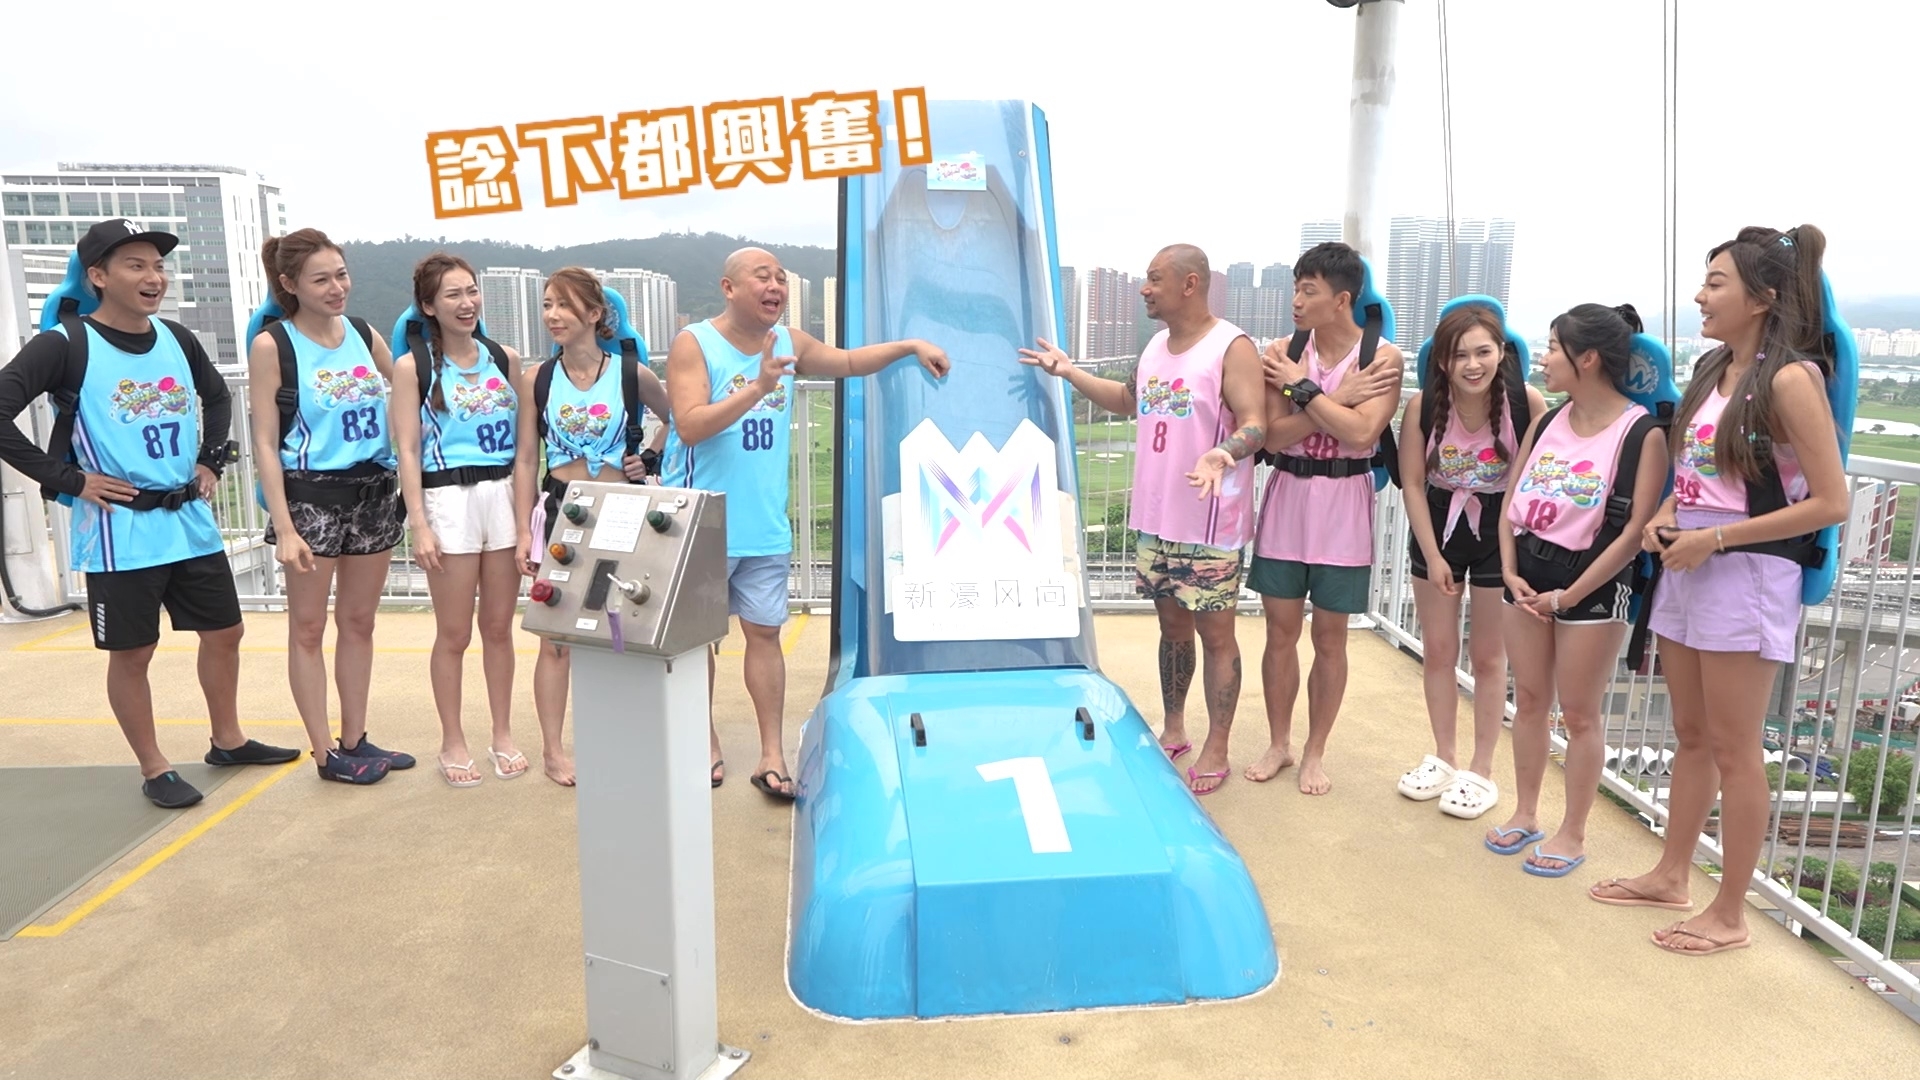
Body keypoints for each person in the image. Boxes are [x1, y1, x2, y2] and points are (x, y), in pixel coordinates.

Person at [1591, 226, 1847, 955]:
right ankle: (1671, 874)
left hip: (1749, 575)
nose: (1701, 296)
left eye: (1716, 283)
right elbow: (1700, 475)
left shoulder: (1789, 381)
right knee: (1693, 735)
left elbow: (1830, 501)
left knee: (1737, 750)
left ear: (1762, 298)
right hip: (1691, 566)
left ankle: (1730, 913)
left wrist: (1718, 538)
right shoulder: (1713, 370)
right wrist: (1668, 517)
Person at [0, 220, 300, 807]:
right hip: (120, 528)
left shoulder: (176, 338)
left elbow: (218, 395)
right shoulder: (66, 343)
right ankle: (154, 766)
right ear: (97, 276)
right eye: (135, 265)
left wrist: (211, 459)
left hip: (188, 519)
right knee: (134, 652)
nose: (154, 277)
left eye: (158, 266)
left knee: (226, 632)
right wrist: (68, 480)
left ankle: (228, 739)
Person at [658, 247, 950, 800]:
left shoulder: (789, 342)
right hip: (703, 523)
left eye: (781, 278)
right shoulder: (694, 343)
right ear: (728, 287)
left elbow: (848, 361)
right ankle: (704, 741)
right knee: (698, 643)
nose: (775, 286)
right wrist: (759, 387)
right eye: (761, 277)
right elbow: (690, 426)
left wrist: (910, 347)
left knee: (765, 635)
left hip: (764, 525)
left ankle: (771, 754)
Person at [1017, 244, 1265, 795]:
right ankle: (1174, 728)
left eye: (1154, 279)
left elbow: (1256, 424)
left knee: (1216, 635)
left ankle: (1217, 744)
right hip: (1156, 518)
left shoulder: (1232, 346)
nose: (1144, 289)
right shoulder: (1153, 346)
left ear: (1190, 284)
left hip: (1209, 521)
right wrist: (1069, 372)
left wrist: (1222, 453)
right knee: (1171, 628)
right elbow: (1128, 400)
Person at [1486, 303, 1668, 876]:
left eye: (1552, 348)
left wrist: (1567, 597)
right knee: (1529, 700)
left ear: (1587, 358)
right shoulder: (1547, 423)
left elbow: (1634, 533)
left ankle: (1573, 831)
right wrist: (1509, 572)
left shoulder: (1641, 433)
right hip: (1526, 576)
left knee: (1580, 713)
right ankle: (1526, 812)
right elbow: (1510, 502)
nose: (1543, 359)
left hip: (1594, 585)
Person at [248, 228, 412, 786]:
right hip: (310, 500)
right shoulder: (274, 345)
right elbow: (265, 442)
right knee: (308, 628)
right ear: (290, 284)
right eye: (321, 279)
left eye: (341, 274)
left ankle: (356, 738)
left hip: (373, 496)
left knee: (360, 622)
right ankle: (325, 754)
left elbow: (410, 387)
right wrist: (285, 527)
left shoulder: (362, 333)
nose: (337, 287)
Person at [1246, 242, 1405, 795]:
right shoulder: (1280, 350)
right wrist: (1337, 396)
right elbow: (1271, 436)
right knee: (1279, 632)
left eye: (1308, 290)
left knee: (1331, 637)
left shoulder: (1382, 358)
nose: (1296, 300)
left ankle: (1315, 751)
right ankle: (1279, 743)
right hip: (1287, 498)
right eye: (1295, 288)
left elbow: (1361, 434)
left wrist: (1304, 391)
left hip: (1344, 506)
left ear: (1341, 300)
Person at [514, 267, 670, 786]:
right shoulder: (537, 379)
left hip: (622, 510)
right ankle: (554, 751)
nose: (552, 315)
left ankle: (628, 739)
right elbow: (525, 459)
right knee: (555, 635)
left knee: (625, 626)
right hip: (563, 508)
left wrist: (648, 457)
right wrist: (523, 532)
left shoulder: (631, 373)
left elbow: (675, 418)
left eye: (564, 304)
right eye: (547, 304)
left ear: (595, 313)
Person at [1395, 304, 1546, 819]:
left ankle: (1481, 770)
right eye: (1460, 355)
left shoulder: (1525, 403)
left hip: (1500, 528)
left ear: (1503, 353)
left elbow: (1528, 484)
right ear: (1443, 361)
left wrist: (1509, 556)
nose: (1473, 364)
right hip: (1439, 522)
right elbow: (1412, 482)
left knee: (1487, 657)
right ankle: (1444, 756)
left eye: (1484, 352)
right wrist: (1433, 555)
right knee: (1438, 650)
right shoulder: (1424, 405)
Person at [392, 253, 530, 787]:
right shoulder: (414, 367)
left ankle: (502, 734)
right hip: (448, 500)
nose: (466, 302)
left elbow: (525, 448)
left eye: (471, 291)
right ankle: (452, 740)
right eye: (452, 294)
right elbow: (407, 450)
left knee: (498, 628)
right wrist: (419, 523)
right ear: (429, 305)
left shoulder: (504, 358)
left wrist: (524, 519)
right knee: (454, 633)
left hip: (502, 495)